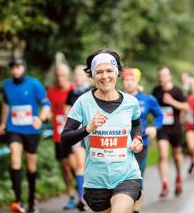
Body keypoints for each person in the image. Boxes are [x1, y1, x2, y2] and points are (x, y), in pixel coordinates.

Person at [61, 50, 143, 213]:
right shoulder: (83, 102)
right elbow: (65, 138)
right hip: (96, 182)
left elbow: (136, 125)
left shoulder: (131, 102)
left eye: (109, 71)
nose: (104, 76)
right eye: (99, 72)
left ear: (117, 73)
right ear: (92, 75)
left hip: (127, 176)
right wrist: (88, 128)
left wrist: (138, 139)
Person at [0, 58, 51, 213]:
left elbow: (46, 105)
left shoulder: (34, 84)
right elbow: (6, 104)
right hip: (14, 128)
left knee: (31, 166)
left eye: (18, 67)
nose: (15, 70)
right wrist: (2, 123)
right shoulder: (6, 85)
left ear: (24, 68)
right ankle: (18, 201)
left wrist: (41, 119)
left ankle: (32, 200)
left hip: (32, 130)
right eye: (13, 67)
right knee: (14, 158)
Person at [122, 67, 163, 212]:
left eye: (131, 80)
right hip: (121, 144)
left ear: (137, 81)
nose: (128, 83)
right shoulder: (118, 98)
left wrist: (155, 127)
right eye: (126, 80)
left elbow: (160, 115)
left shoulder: (148, 99)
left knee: (137, 174)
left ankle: (136, 208)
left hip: (141, 142)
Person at [152, 66, 189, 197]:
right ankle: (165, 184)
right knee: (162, 155)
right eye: (160, 75)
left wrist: (172, 102)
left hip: (176, 128)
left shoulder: (177, 90)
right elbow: (153, 107)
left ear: (170, 76)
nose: (162, 78)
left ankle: (179, 177)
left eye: (165, 75)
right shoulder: (156, 90)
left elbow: (186, 107)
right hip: (162, 128)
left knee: (177, 154)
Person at [47, 63, 77, 210]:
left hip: (74, 135)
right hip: (58, 136)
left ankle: (83, 192)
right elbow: (47, 109)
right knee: (65, 167)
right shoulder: (51, 92)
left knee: (75, 165)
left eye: (63, 75)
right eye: (58, 75)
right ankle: (71, 195)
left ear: (68, 76)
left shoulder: (74, 90)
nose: (60, 78)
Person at [64, 65, 91, 211]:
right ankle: (82, 197)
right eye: (76, 75)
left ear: (86, 76)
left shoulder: (91, 92)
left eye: (80, 75)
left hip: (92, 133)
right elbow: (66, 111)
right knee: (78, 165)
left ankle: (88, 192)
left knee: (87, 164)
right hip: (77, 132)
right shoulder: (71, 93)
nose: (78, 78)